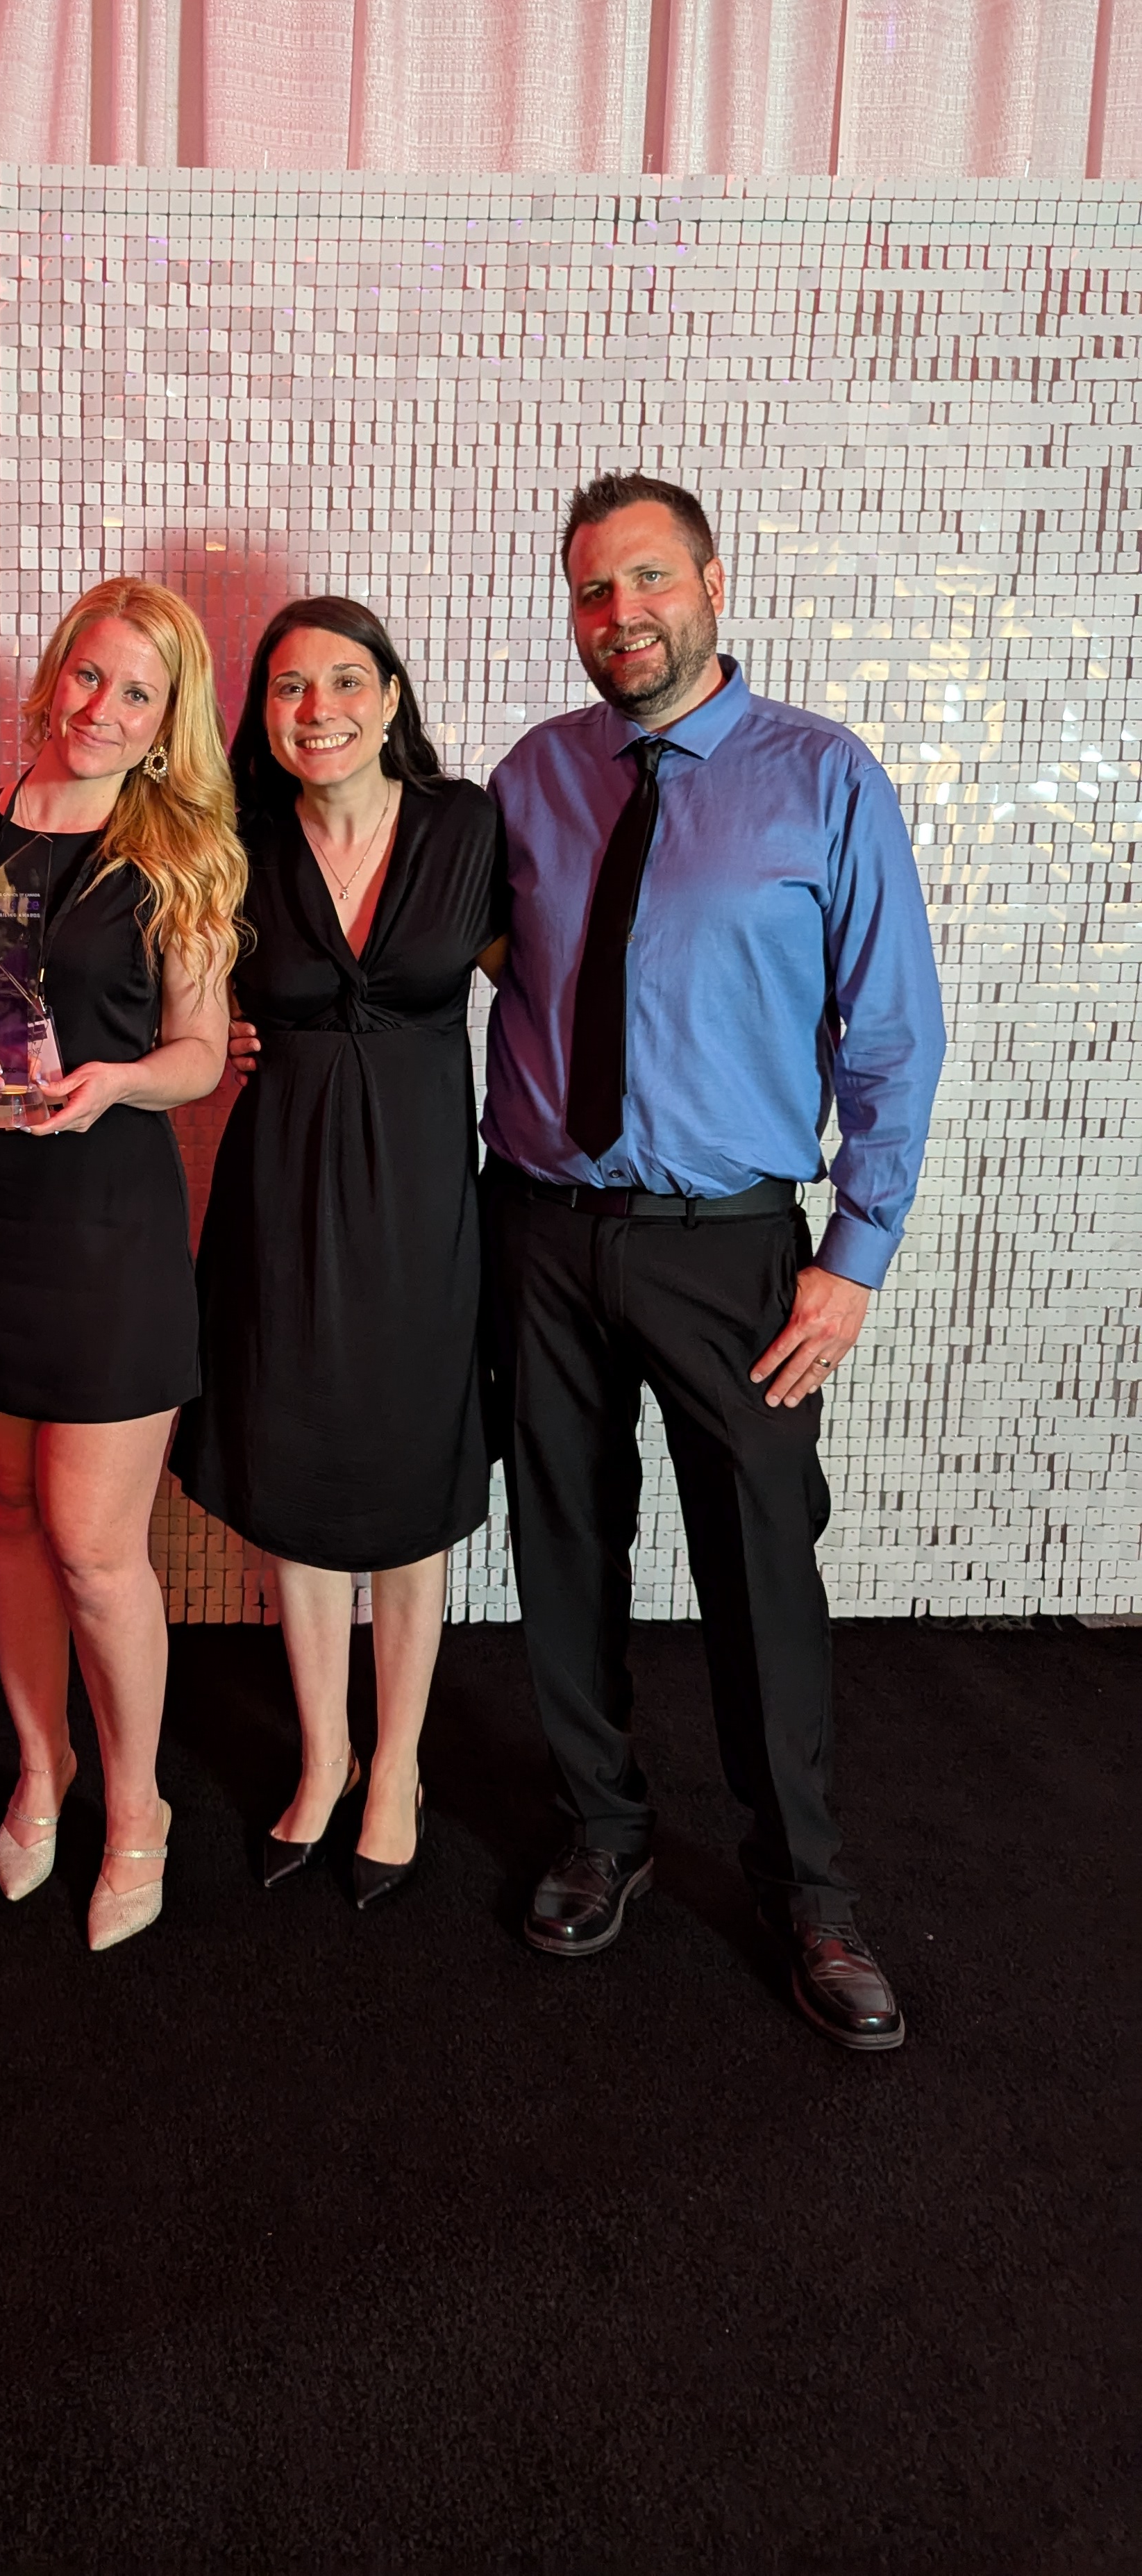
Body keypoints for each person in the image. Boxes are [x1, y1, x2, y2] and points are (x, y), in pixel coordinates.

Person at [482, 472, 944, 2051]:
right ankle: (602, 1830)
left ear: (713, 583)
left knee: (761, 1564)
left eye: (650, 581)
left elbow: (893, 1032)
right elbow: (431, 948)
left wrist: (855, 1255)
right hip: (543, 1231)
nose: (622, 616)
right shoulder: (534, 777)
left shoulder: (821, 776)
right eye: (594, 592)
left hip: (732, 1247)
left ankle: (810, 1891)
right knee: (564, 1544)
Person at [0, 579, 244, 1952]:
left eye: (137, 693)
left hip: (112, 1228)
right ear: (52, 676)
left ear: (165, 723)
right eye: (90, 675)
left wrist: (120, 1082)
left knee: (96, 1545)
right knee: (8, 1505)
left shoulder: (184, 854)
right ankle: (44, 1770)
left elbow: (199, 1053)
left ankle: (139, 1811)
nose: (103, 707)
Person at [172, 599, 502, 1906]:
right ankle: (325, 1756)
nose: (320, 711)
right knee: (297, 1473)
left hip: (424, 1201)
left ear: (392, 695)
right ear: (261, 714)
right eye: (290, 688)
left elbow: (547, 985)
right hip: (283, 1194)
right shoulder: (233, 846)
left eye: (346, 681)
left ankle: (399, 1764)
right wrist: (215, 1042)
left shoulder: (467, 827)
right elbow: (168, 994)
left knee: (412, 1483)